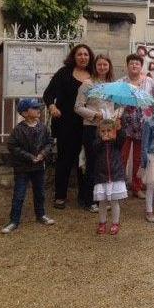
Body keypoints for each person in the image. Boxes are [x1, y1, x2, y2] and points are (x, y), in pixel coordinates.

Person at [43, 43, 94, 210]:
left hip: (87, 124)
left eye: (86, 54)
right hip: (65, 123)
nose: (83, 57)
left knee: (84, 161)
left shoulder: (93, 75)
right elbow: (48, 93)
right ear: (74, 56)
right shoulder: (64, 73)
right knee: (64, 160)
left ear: (90, 57)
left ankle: (84, 196)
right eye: (80, 54)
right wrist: (52, 106)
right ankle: (60, 196)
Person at [1, 99, 55, 234]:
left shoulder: (43, 127)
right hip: (22, 168)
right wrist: (30, 157)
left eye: (38, 107)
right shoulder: (18, 130)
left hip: (39, 167)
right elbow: (12, 146)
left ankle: (41, 215)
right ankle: (14, 220)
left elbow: (49, 142)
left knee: (40, 193)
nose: (38, 110)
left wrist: (42, 154)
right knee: (19, 194)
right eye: (34, 108)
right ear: (25, 113)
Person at [74, 54, 115, 212]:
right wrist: (94, 114)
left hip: (108, 127)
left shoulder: (112, 85)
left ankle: (103, 198)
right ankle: (89, 199)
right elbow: (77, 107)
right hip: (91, 128)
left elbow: (116, 105)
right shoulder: (87, 84)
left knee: (105, 163)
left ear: (109, 66)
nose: (103, 67)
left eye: (105, 64)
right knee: (91, 163)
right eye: (100, 65)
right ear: (95, 66)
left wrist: (116, 114)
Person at [120, 53, 154, 199]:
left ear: (141, 66)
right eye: (131, 63)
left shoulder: (149, 82)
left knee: (139, 158)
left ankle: (137, 186)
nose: (134, 65)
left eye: (137, 63)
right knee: (122, 156)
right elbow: (116, 102)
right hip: (125, 125)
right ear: (127, 66)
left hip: (143, 124)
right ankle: (120, 186)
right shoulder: (121, 82)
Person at [93, 119, 128, 235]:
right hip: (101, 176)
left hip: (115, 175)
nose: (106, 133)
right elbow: (94, 149)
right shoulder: (98, 142)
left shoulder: (116, 142)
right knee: (102, 202)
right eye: (103, 131)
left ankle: (115, 223)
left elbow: (123, 138)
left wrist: (119, 128)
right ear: (99, 132)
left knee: (114, 201)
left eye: (109, 130)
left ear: (113, 131)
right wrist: (102, 141)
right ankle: (102, 223)